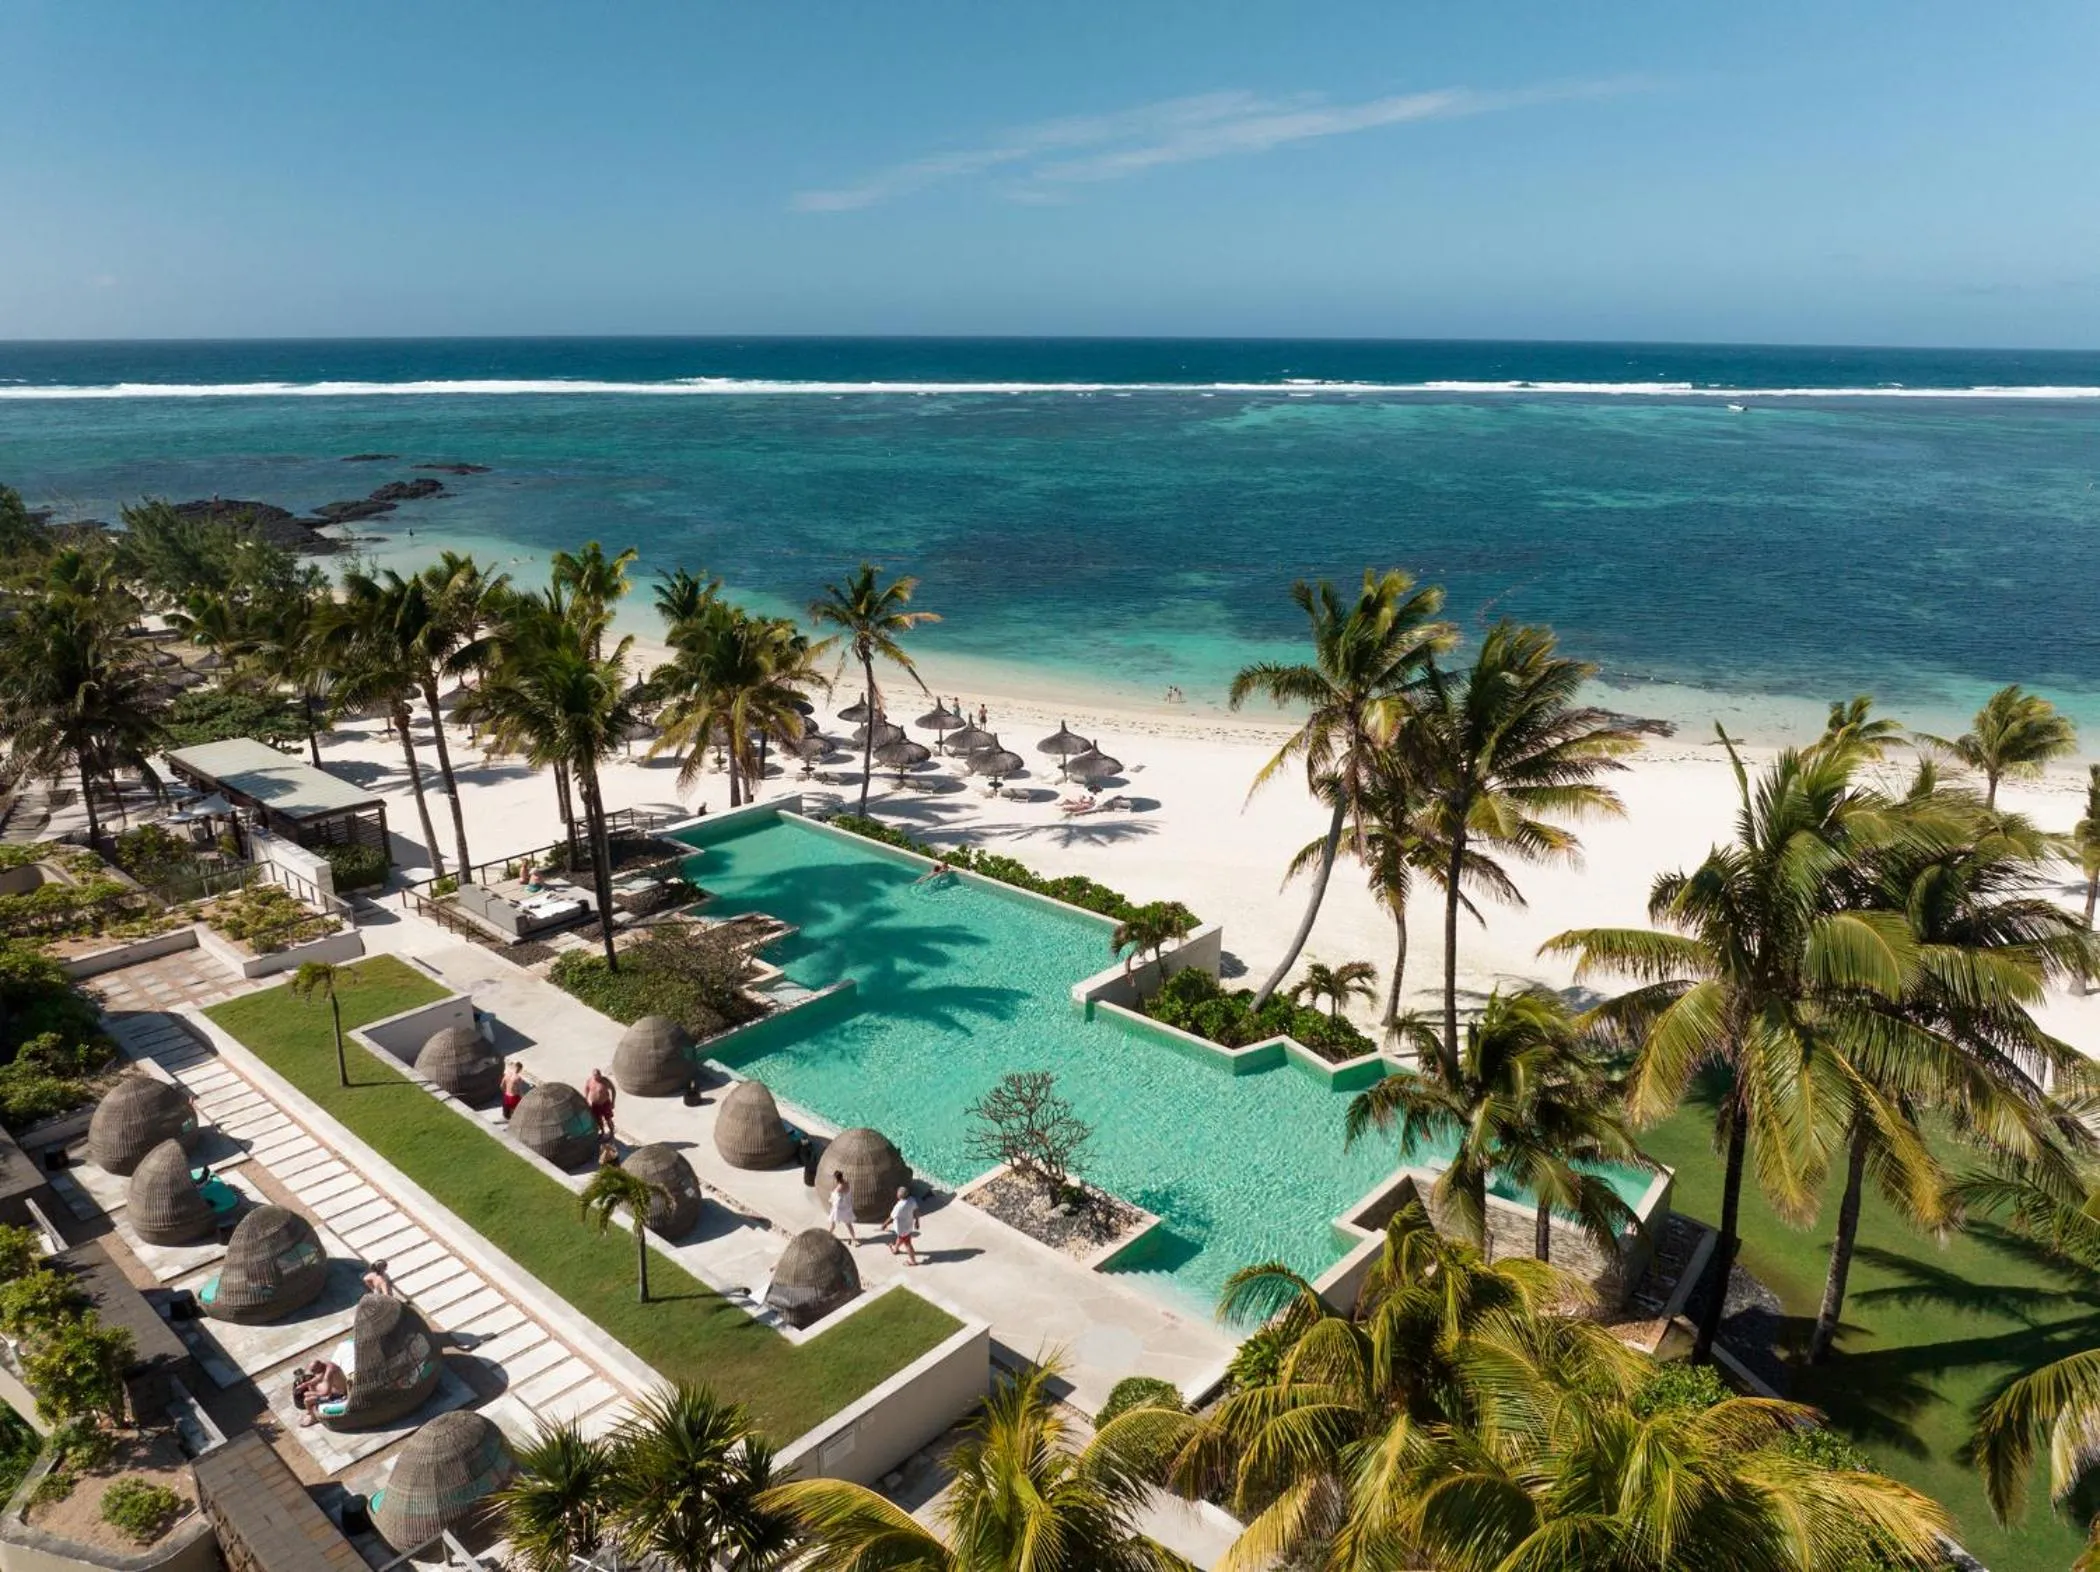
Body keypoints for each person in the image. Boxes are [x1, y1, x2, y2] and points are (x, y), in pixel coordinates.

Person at [297, 1358, 347, 1427]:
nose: (313, 1373)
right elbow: (318, 1378)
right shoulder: (326, 1365)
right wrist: (304, 1385)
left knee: (307, 1400)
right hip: (334, 1388)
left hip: (339, 1395)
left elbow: (326, 1393)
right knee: (311, 1385)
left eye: (314, 1371)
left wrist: (310, 1394)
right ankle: (312, 1409)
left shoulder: (328, 1374)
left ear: (319, 1367)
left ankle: (314, 1418)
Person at [886, 1186, 921, 1266]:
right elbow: (916, 1211)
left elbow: (891, 1217)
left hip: (902, 1229)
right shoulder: (912, 1200)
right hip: (908, 1226)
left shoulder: (899, 1206)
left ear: (899, 1196)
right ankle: (895, 1249)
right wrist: (917, 1221)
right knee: (900, 1238)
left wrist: (884, 1225)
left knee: (908, 1244)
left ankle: (913, 1261)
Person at [827, 1169, 856, 1243]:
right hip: (846, 1207)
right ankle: (854, 1238)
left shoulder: (839, 1188)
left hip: (838, 1208)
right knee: (849, 1225)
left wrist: (832, 1200)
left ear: (836, 1179)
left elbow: (836, 1199)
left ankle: (828, 1235)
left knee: (832, 1224)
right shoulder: (847, 1183)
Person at [584, 1069, 616, 1136]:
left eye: (599, 1075)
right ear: (593, 1075)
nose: (598, 1077)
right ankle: (602, 1131)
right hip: (595, 1105)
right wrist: (586, 1099)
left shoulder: (605, 1081)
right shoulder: (589, 1081)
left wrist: (613, 1102)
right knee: (598, 1120)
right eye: (596, 1076)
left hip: (605, 1103)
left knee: (608, 1119)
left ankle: (612, 1131)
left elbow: (613, 1090)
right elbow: (586, 1089)